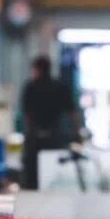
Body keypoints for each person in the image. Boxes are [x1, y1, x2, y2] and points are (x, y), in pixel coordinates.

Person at [20, 55, 75, 191]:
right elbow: (72, 113)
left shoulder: (30, 87)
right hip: (56, 136)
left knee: (33, 175)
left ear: (37, 69)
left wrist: (27, 135)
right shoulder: (60, 87)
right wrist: (75, 132)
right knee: (53, 172)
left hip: (35, 137)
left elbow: (27, 115)